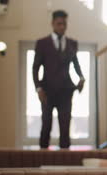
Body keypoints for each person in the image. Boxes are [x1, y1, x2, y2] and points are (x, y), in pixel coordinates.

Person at [32, 10, 85, 149]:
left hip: (66, 91)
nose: (62, 27)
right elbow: (35, 68)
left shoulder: (72, 43)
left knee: (65, 126)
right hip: (47, 92)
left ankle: (65, 160)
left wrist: (81, 77)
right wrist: (38, 88)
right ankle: (42, 158)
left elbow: (76, 64)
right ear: (53, 24)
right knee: (46, 125)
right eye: (59, 24)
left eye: (64, 24)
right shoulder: (42, 43)